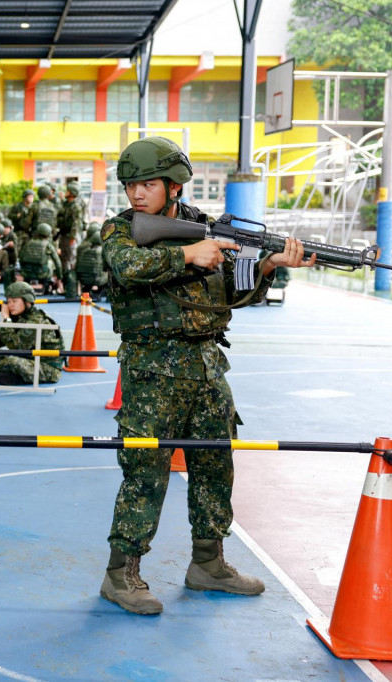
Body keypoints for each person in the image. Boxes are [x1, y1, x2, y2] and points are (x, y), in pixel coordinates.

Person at [98, 136, 315, 615]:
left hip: (207, 366)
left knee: (216, 465)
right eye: (131, 184)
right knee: (145, 471)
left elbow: (235, 294)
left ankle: (208, 564)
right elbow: (128, 267)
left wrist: (269, 266)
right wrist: (188, 255)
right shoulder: (120, 231)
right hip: (152, 369)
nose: (137, 193)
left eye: (148, 184)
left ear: (173, 185)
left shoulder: (205, 228)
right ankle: (121, 575)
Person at [0, 281, 63, 385]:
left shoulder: (36, 320)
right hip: (28, 359)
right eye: (9, 301)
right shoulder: (21, 316)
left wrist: (6, 320)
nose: (10, 305)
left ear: (27, 301)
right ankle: (0, 374)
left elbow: (15, 345)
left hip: (47, 369)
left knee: (12, 362)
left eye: (14, 301)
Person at [56, 181, 86, 298]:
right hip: (64, 236)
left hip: (71, 237)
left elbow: (76, 223)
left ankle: (73, 289)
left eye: (68, 190)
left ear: (72, 193)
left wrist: (73, 237)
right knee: (64, 261)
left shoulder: (76, 206)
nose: (66, 192)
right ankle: (66, 287)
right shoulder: (66, 204)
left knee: (72, 261)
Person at [18, 222, 62, 293]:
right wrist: (60, 277)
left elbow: (20, 257)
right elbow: (57, 262)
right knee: (50, 263)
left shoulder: (28, 243)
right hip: (42, 273)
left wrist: (23, 270)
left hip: (26, 273)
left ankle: (27, 282)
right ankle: (46, 285)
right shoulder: (48, 245)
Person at [75, 224, 109, 300]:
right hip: (96, 279)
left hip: (83, 279)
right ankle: (100, 294)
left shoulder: (84, 249)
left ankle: (86, 291)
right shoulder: (102, 251)